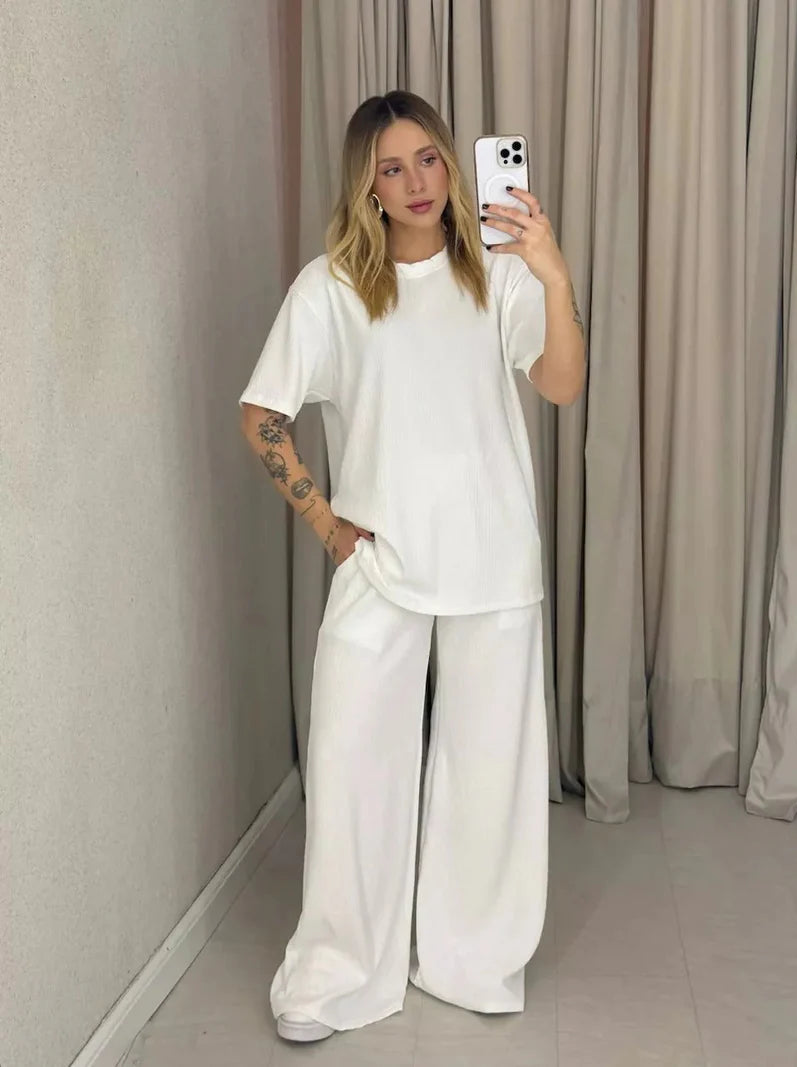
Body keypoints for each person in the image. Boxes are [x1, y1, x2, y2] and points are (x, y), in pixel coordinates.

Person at [238, 90, 585, 1044]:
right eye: (391, 168)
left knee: (488, 775)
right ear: (368, 186)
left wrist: (552, 273)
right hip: (380, 566)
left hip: (494, 560)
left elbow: (561, 383)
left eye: (428, 158)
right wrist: (325, 522)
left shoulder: (498, 275)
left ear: (451, 163)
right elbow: (262, 415)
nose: (416, 182)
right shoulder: (330, 289)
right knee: (352, 768)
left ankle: (473, 956)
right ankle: (339, 968)